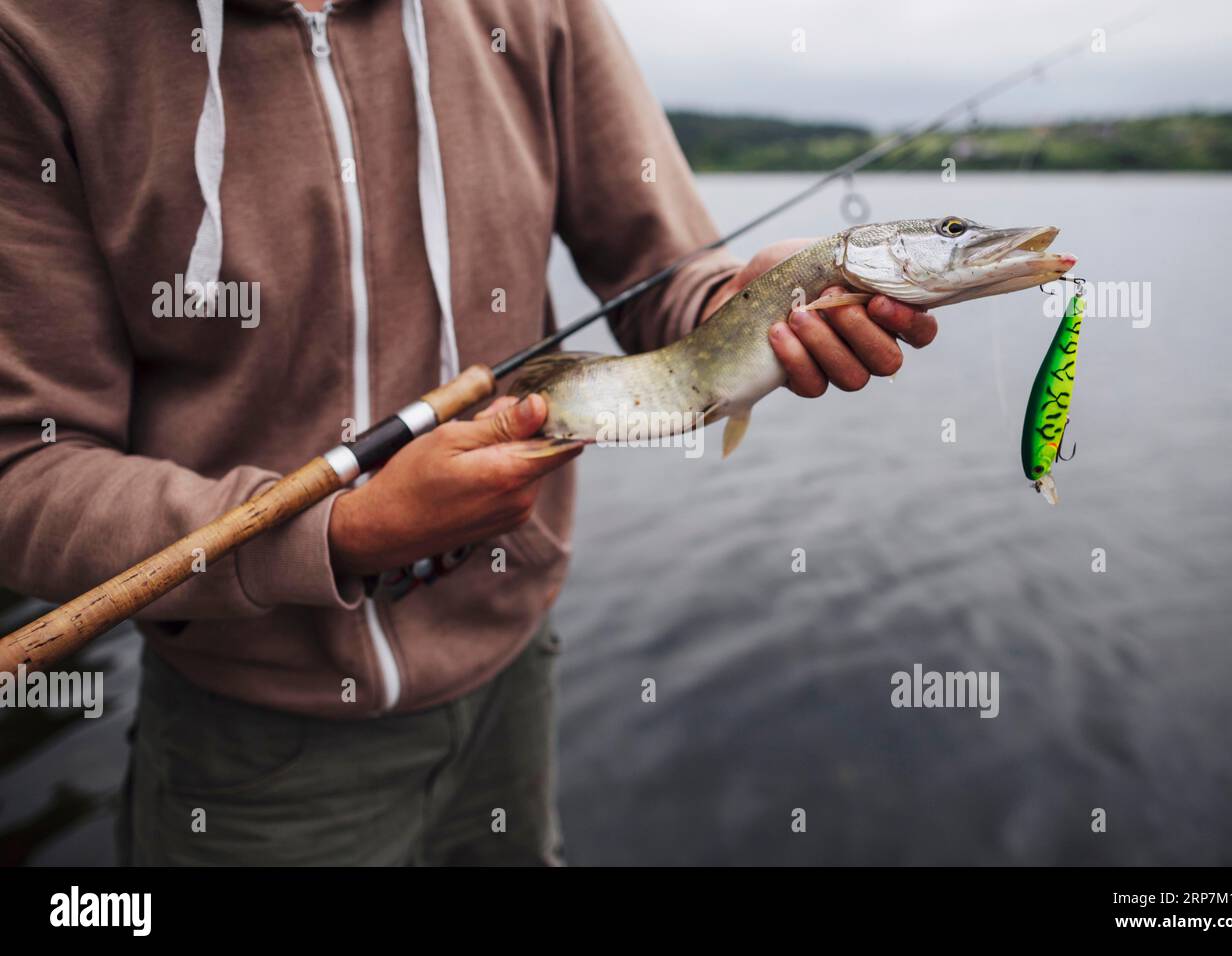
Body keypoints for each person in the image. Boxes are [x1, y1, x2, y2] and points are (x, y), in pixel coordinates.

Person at [0, 0, 937, 865]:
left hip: (514, 680)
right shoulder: (41, 37)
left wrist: (743, 308)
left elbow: (670, 271)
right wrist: (342, 533)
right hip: (249, 740)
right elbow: (25, 473)